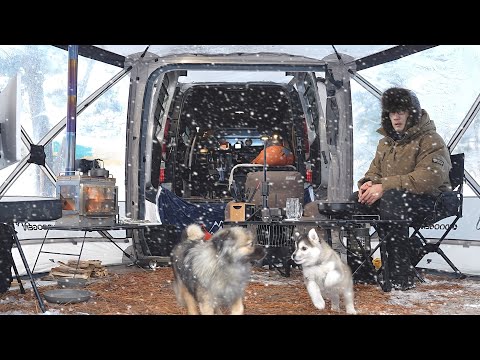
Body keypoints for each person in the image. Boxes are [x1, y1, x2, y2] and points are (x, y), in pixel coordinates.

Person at [350, 87, 452, 290]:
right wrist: (367, 185)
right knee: (354, 202)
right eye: (392, 112)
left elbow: (427, 179)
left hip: (432, 201)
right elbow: (373, 173)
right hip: (395, 201)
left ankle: (400, 273)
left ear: (411, 113)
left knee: (393, 200)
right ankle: (361, 270)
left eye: (401, 112)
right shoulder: (385, 143)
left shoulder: (431, 140)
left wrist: (383, 186)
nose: (396, 117)